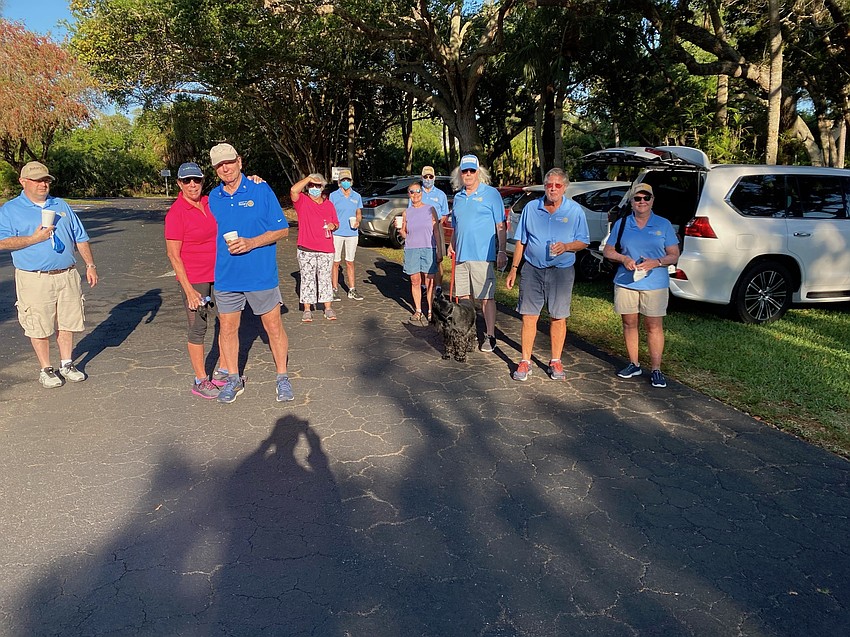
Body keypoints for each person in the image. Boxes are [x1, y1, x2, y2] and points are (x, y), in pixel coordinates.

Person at [206, 143, 294, 403]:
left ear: (239, 162)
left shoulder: (260, 189)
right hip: (227, 277)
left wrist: (252, 242)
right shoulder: (213, 198)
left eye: (229, 162)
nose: (225, 168)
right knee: (227, 329)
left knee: (273, 327)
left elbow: (283, 230)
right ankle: (233, 379)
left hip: (260, 275)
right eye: (219, 165)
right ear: (215, 170)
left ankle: (282, 377)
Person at [0, 161, 98, 388]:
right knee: (38, 323)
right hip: (34, 277)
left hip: (67, 274)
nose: (43, 184)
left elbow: (80, 237)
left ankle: (67, 363)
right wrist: (34, 239)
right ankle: (46, 368)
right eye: (37, 180)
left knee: (67, 321)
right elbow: (2, 242)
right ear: (23, 182)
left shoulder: (61, 205)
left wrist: (90, 265)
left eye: (46, 180)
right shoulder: (10, 210)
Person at [505, 168, 589, 381]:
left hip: (561, 272)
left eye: (557, 185)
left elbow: (584, 241)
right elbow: (521, 241)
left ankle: (556, 360)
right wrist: (514, 269)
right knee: (529, 316)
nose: (553, 189)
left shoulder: (575, 211)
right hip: (532, 269)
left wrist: (567, 246)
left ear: (565, 187)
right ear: (544, 186)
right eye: (549, 185)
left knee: (558, 316)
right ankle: (525, 361)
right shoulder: (531, 208)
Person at [602, 183, 680, 388]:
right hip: (626, 282)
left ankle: (656, 369)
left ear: (653, 201)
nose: (642, 202)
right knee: (629, 323)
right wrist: (623, 258)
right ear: (631, 202)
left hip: (655, 284)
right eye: (637, 198)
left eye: (646, 198)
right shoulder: (622, 223)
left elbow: (674, 255)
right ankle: (634, 364)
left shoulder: (663, 224)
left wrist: (657, 262)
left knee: (653, 326)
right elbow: (608, 251)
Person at [164, 162, 229, 399]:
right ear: (179, 184)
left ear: (202, 181)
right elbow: (173, 255)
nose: (193, 185)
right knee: (198, 328)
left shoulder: (211, 202)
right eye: (187, 181)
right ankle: (201, 379)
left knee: (227, 321)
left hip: (220, 275)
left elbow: (233, 188)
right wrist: (189, 290)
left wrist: (253, 180)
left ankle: (223, 371)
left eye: (197, 180)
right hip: (194, 279)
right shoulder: (176, 213)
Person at [448, 154, 508, 352]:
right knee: (464, 298)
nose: (468, 174)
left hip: (483, 255)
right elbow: (456, 226)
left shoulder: (491, 194)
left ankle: (490, 335)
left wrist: (501, 251)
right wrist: (451, 244)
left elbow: (500, 225)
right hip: (461, 256)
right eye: (464, 171)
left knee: (486, 297)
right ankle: (469, 334)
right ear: (459, 173)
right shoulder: (458, 197)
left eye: (471, 171)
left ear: (478, 172)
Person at [290, 173, 339, 322]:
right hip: (306, 248)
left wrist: (333, 226)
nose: (314, 188)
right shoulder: (302, 201)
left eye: (317, 186)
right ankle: (307, 309)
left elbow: (336, 223)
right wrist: (308, 179)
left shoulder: (329, 205)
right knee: (307, 279)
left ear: (322, 188)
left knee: (325, 278)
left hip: (326, 248)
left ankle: (327, 308)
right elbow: (293, 190)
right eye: (311, 185)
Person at [400, 179, 442, 323]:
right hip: (412, 249)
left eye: (418, 191)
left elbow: (436, 231)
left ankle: (430, 310)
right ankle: (418, 310)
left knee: (429, 281)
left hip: (428, 248)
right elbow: (405, 233)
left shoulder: (430, 209)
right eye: (412, 192)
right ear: (408, 194)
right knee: (415, 280)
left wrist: (439, 250)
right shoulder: (406, 212)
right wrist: (400, 231)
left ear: (422, 192)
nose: (415, 194)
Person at [328, 168, 364, 301]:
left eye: (348, 180)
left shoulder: (357, 196)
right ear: (339, 182)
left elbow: (358, 213)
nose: (346, 182)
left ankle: (352, 289)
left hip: (352, 233)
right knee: (335, 262)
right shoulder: (333, 196)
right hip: (337, 232)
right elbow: (330, 213)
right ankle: (334, 289)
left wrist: (358, 221)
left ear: (351, 181)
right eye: (343, 180)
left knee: (350, 261)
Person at [419, 165, 448, 291]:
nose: (428, 179)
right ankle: (423, 285)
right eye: (425, 176)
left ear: (434, 177)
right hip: (421, 230)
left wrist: (436, 222)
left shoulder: (441, 195)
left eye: (430, 176)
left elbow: (445, 214)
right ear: (422, 177)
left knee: (438, 259)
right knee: (421, 259)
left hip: (436, 228)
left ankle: (438, 287)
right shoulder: (417, 193)